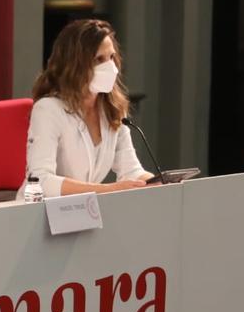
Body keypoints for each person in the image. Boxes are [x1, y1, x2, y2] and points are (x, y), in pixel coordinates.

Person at [21, 19, 154, 198]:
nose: (111, 67)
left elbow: (131, 170)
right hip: (40, 215)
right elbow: (40, 180)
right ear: (74, 64)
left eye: (112, 57)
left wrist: (161, 183)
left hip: (83, 212)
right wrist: (109, 190)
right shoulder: (48, 109)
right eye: (99, 59)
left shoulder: (112, 109)